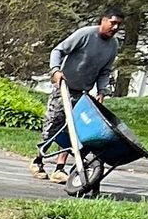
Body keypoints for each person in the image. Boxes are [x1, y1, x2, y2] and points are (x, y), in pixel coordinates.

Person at [34, 12, 122, 178]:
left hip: (83, 93)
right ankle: (38, 161)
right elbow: (58, 50)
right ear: (103, 20)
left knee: (72, 130)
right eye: (112, 23)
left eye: (119, 24)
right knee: (53, 126)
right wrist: (55, 70)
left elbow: (105, 71)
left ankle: (59, 169)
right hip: (64, 88)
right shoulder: (85, 34)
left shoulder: (113, 45)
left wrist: (102, 91)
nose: (115, 27)